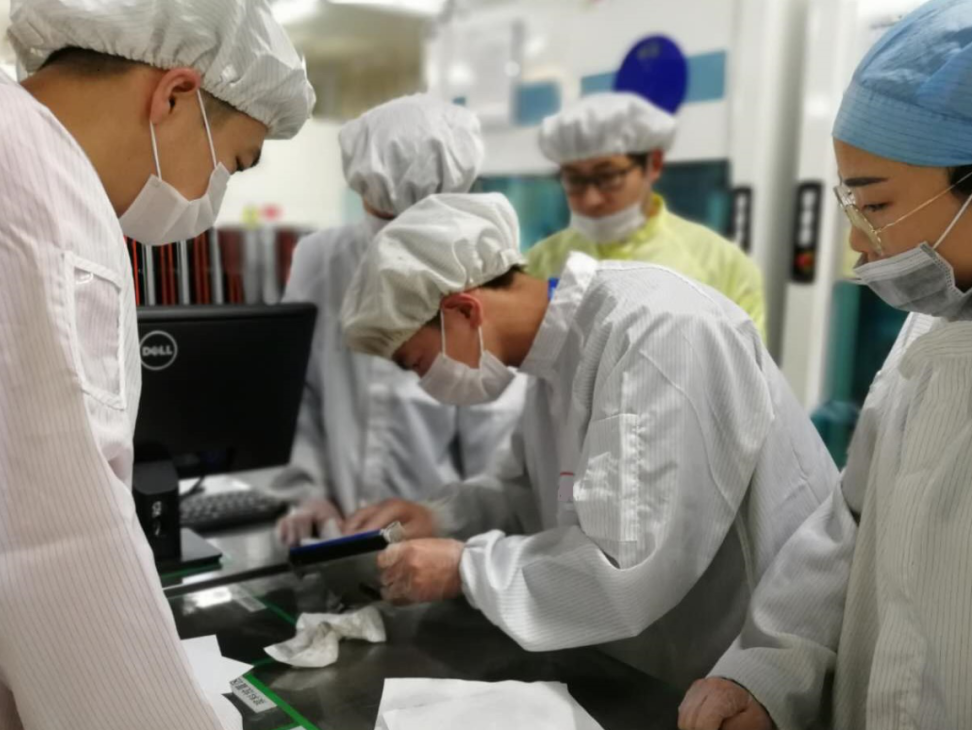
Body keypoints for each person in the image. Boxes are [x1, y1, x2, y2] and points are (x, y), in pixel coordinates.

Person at [0, 1, 328, 730]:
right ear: (175, 95)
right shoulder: (17, 170)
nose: (213, 197)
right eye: (232, 161)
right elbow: (45, 539)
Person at [337, 193, 836, 689]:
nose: (426, 383)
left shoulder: (655, 332)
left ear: (464, 311)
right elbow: (527, 495)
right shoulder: (555, 364)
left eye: (418, 363)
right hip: (658, 667)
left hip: (751, 668)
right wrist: (441, 518)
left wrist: (463, 570)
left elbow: (625, 564)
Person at [677, 0, 972, 730]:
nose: (858, 244)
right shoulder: (931, 328)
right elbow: (855, 516)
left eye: (875, 207)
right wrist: (772, 668)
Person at [273, 95, 526, 546]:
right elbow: (296, 392)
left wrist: (449, 523)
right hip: (336, 529)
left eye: (415, 227)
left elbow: (498, 442)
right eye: (385, 219)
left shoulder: (479, 267)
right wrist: (308, 491)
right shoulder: (320, 260)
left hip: (441, 538)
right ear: (362, 193)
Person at [527, 92, 767, 339]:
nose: (591, 199)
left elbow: (747, 361)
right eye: (574, 179)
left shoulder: (721, 264)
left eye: (608, 176)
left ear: (654, 164)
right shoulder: (541, 261)